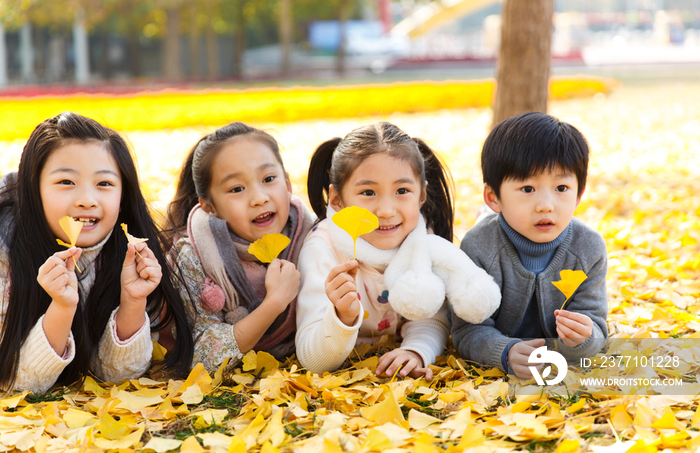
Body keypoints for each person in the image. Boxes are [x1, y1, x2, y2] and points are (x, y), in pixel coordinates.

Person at [0, 112, 193, 395]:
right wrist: (62, 309)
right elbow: (15, 383)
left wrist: (133, 300)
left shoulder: (129, 252)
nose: (87, 200)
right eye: (66, 182)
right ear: (33, 189)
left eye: (104, 184)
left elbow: (119, 375)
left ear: (122, 195)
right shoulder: (6, 254)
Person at [297, 122, 500, 380]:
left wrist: (415, 351)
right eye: (368, 192)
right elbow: (311, 360)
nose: (386, 210)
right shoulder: (324, 248)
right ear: (336, 199)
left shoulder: (419, 241)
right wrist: (342, 317)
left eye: (402, 191)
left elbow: (431, 318)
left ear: (422, 195)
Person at [452, 112, 608, 380]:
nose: (546, 204)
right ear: (493, 197)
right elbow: (466, 330)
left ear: (579, 194)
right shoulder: (479, 247)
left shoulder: (588, 249)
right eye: (527, 189)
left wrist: (583, 338)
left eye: (561, 187)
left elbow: (595, 325)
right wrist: (505, 351)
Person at [166, 122, 315, 371]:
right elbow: (201, 354)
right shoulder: (194, 257)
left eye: (269, 179)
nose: (259, 198)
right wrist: (274, 303)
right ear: (209, 206)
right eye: (237, 189)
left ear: (288, 185)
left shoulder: (313, 236)